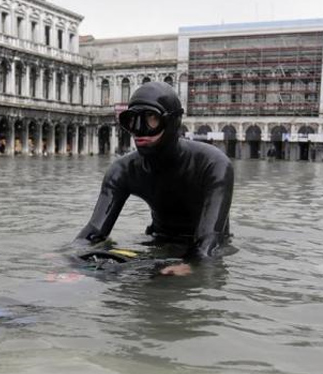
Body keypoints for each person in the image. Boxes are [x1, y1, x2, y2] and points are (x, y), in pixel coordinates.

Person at [74, 82, 234, 276]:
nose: (139, 130)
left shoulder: (213, 164)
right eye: (132, 119)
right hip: (157, 240)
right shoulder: (122, 170)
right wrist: (67, 256)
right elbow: (94, 231)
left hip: (210, 246)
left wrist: (192, 264)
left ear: (172, 121)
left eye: (151, 118)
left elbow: (210, 240)